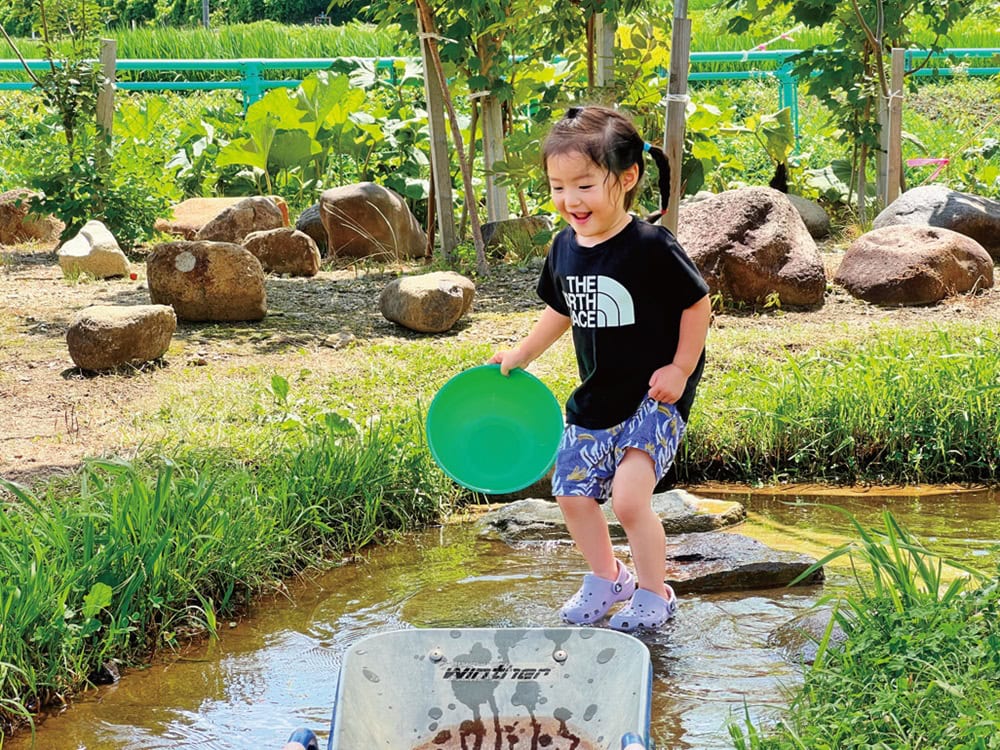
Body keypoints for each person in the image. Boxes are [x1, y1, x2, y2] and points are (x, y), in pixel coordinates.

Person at [489, 105, 711, 632]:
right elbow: (560, 308)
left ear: (627, 177)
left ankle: (656, 594)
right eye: (558, 186)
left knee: (631, 501)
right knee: (570, 494)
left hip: (652, 398)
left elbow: (697, 303)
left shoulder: (651, 247)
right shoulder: (564, 246)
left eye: (585, 185)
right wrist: (522, 353)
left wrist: (681, 368)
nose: (570, 201)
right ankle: (610, 578)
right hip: (596, 400)